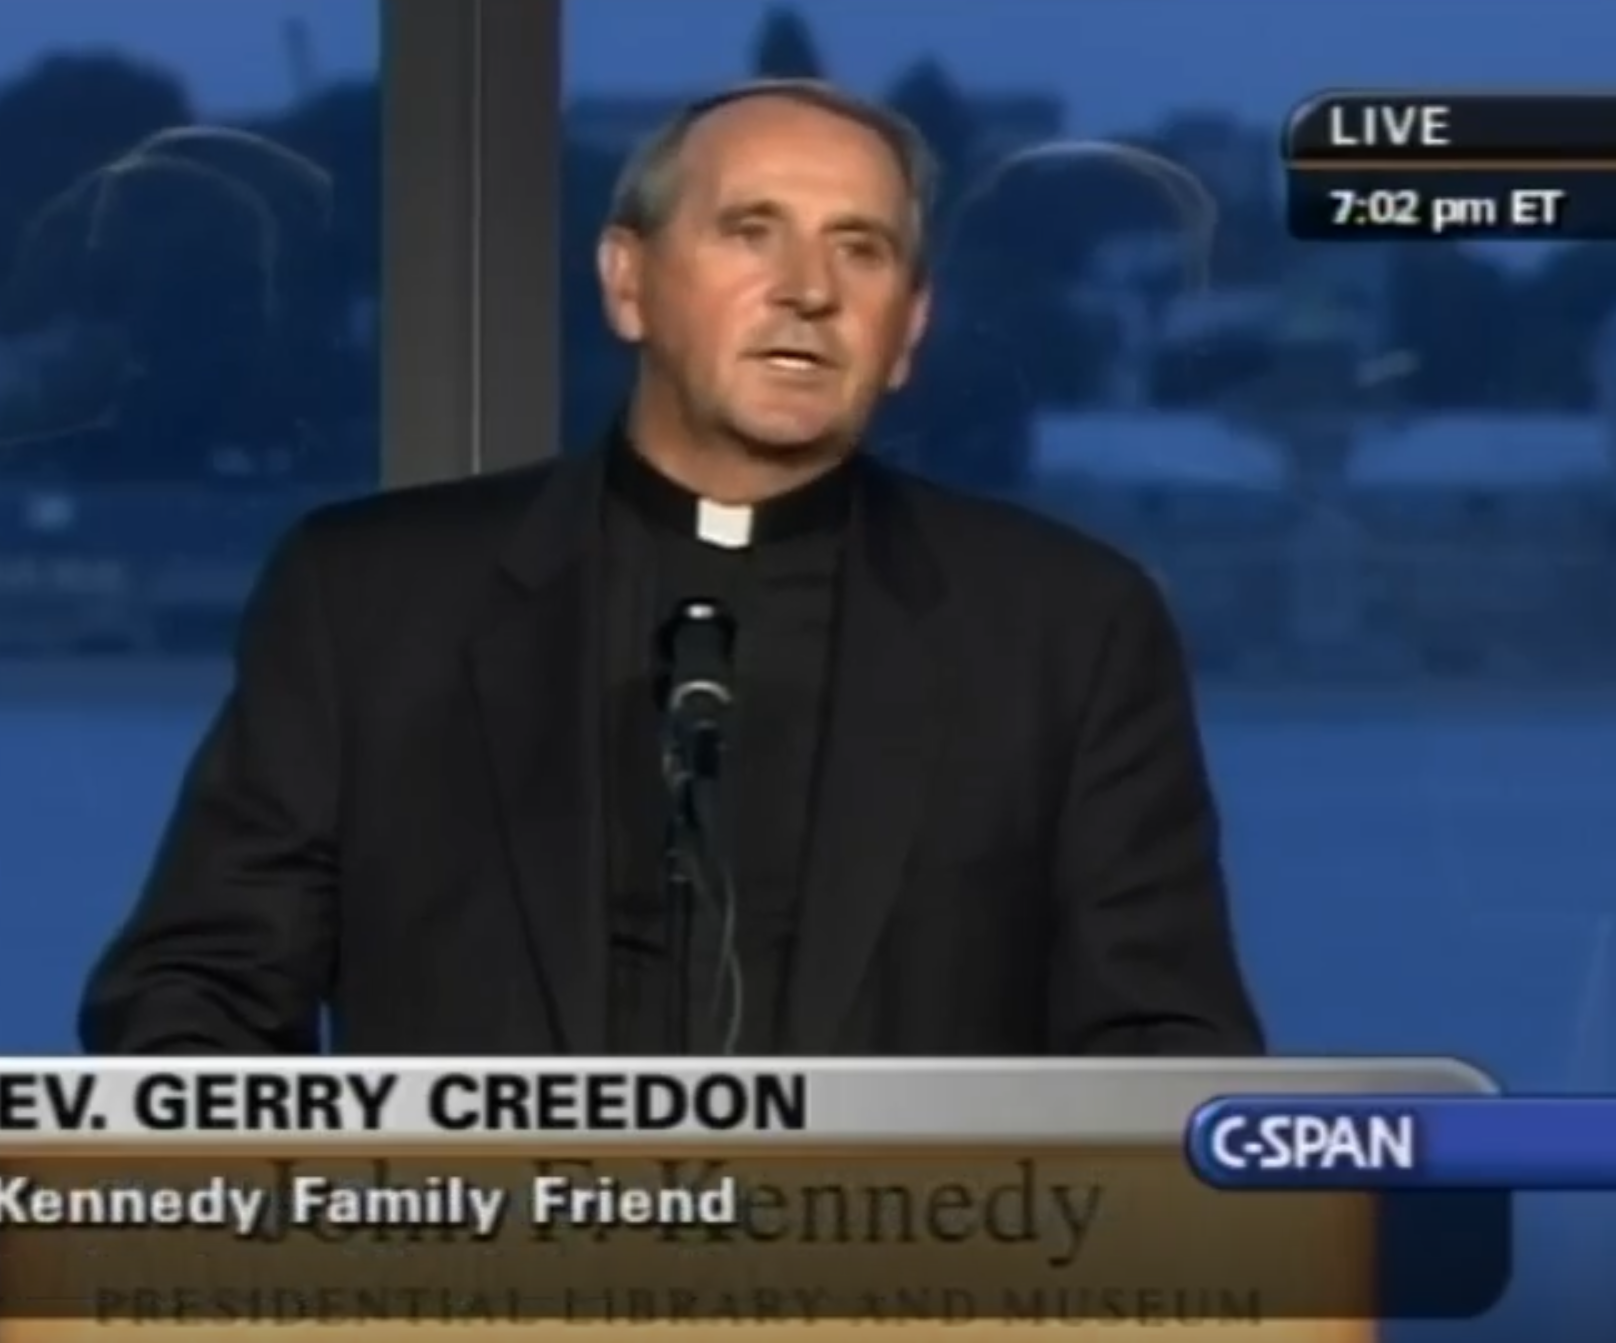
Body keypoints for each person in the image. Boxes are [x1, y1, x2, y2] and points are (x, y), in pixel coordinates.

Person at [79, 79, 1264, 1058]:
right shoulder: (372, 600)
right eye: (750, 230)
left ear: (906, 330)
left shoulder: (1064, 626)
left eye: (861, 249)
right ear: (627, 280)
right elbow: (194, 997)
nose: (808, 289)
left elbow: (1164, 1047)